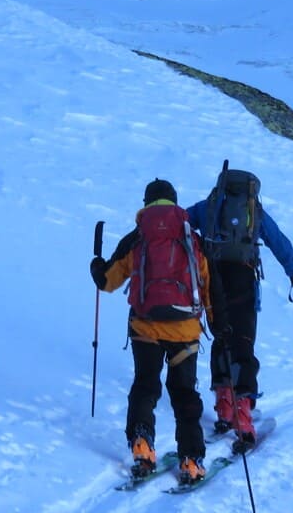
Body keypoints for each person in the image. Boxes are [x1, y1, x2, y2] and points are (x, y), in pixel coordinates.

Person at [90, 178, 214, 484]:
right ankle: (191, 461)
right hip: (185, 330)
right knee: (185, 393)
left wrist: (96, 267)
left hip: (145, 326)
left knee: (145, 385)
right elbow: (206, 283)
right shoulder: (190, 238)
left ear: (147, 203)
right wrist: (214, 322)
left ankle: (142, 446)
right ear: (174, 202)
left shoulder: (138, 237)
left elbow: (108, 281)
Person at [186, 167, 293, 449]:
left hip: (213, 282)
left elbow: (182, 223)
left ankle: (224, 407)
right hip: (243, 280)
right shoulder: (255, 212)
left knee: (221, 338)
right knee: (243, 343)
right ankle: (243, 417)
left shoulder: (209, 207)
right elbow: (278, 241)